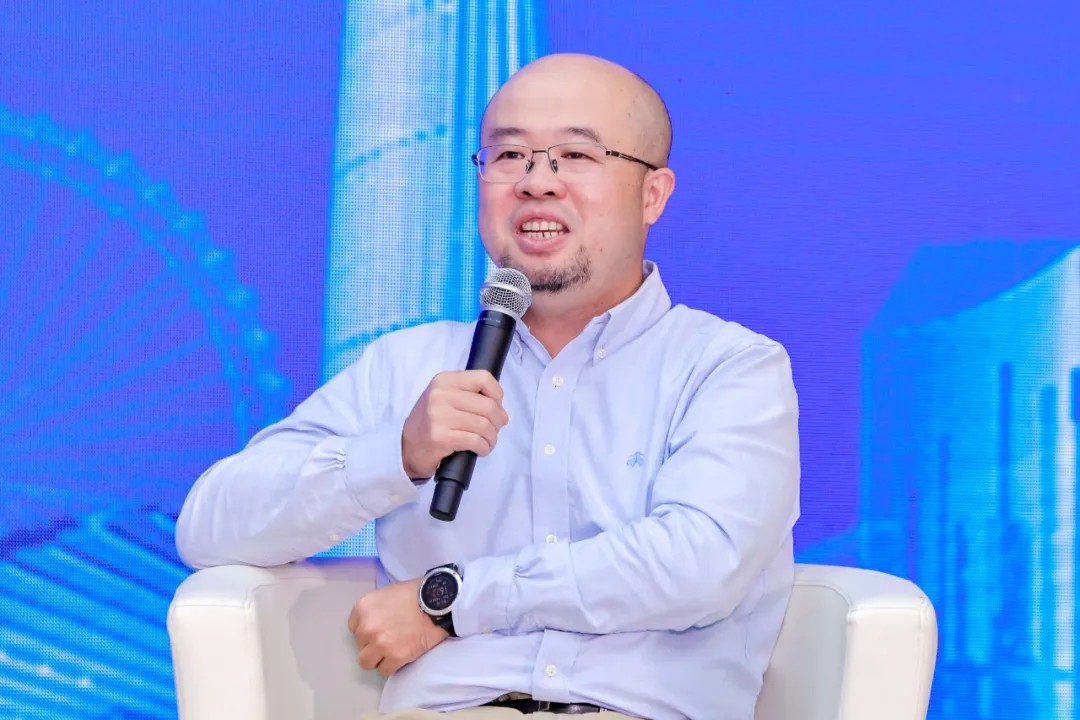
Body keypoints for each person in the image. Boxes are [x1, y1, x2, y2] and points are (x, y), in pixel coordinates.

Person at [176, 53, 800, 720]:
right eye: (509, 156)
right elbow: (211, 529)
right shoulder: (409, 365)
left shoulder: (729, 367)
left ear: (653, 194)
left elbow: (699, 563)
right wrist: (397, 454)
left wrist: (451, 600)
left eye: (575, 156)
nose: (536, 182)